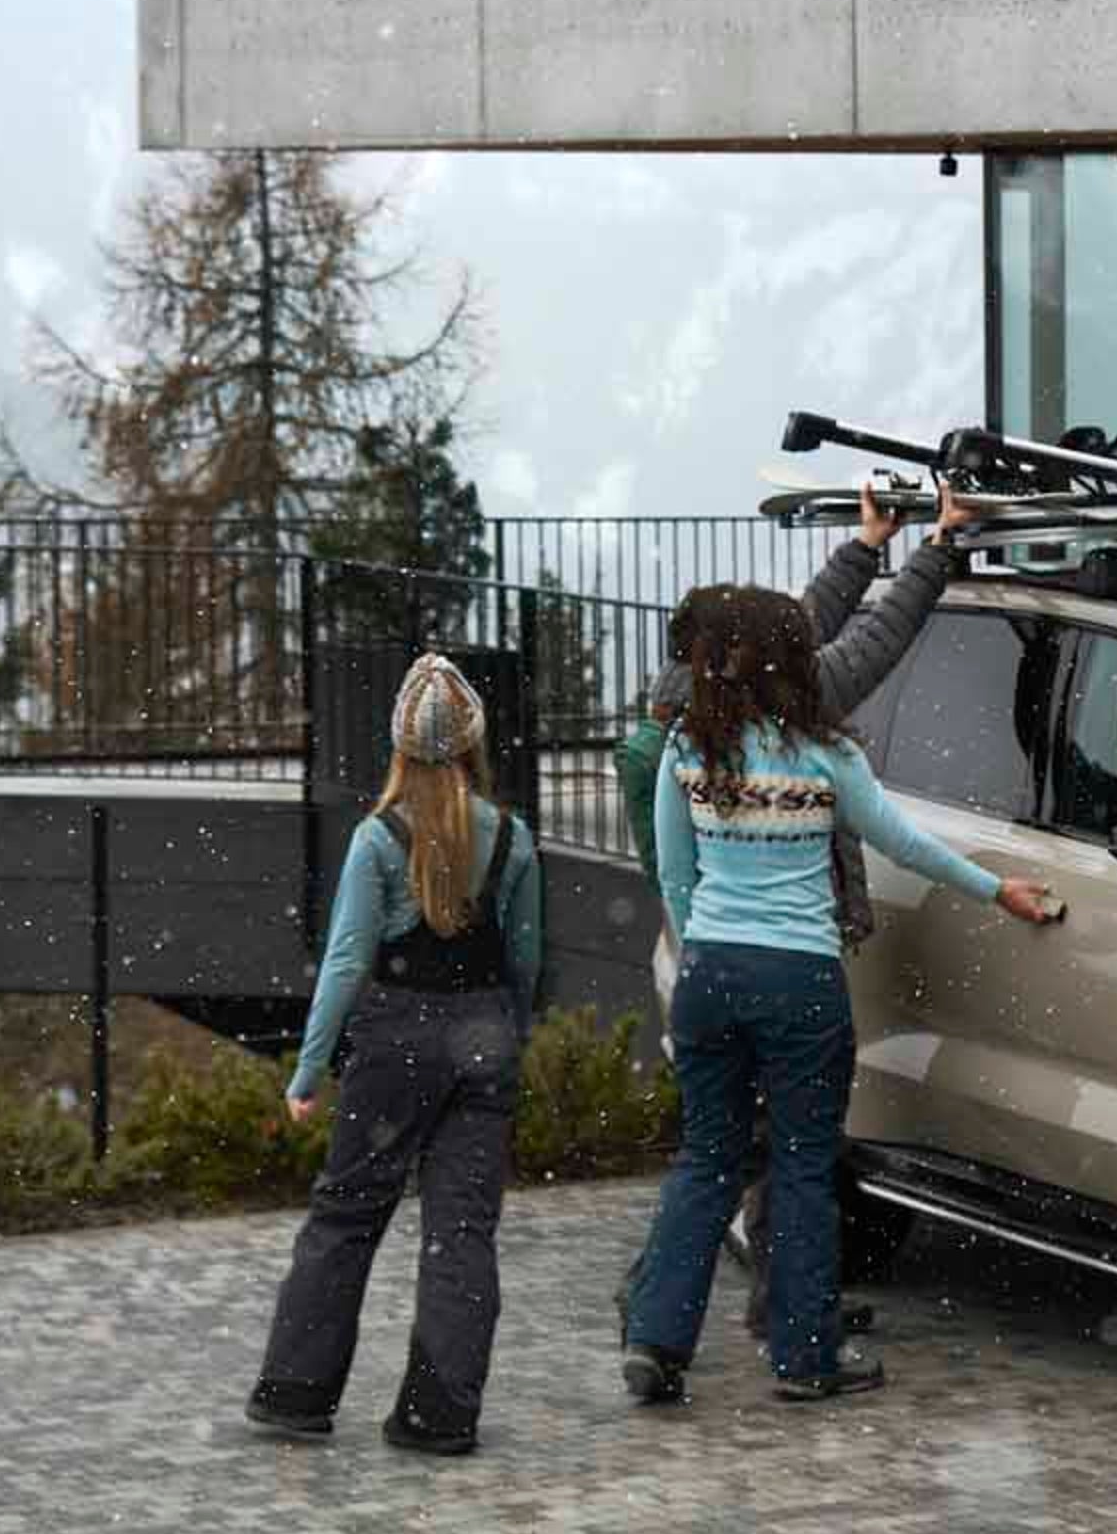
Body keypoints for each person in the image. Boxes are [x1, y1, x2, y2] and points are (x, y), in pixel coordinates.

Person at [621, 583, 1058, 1407]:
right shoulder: (825, 754)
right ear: (795, 662)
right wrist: (997, 890)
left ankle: (656, 1339)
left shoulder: (687, 748)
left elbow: (677, 877)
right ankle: (805, 1356)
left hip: (710, 973)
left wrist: (709, 942)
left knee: (707, 1160)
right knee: (802, 1164)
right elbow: (904, 842)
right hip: (801, 982)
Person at [612, 479, 981, 1340]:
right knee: (793, 1149)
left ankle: (660, 1322)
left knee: (718, 1150)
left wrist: (865, 548)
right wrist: (939, 548)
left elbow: (806, 627)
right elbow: (867, 651)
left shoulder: (696, 704)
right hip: (789, 964)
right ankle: (793, 1325)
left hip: (713, 955)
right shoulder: (796, 730)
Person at [246, 654, 543, 1456]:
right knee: (462, 1231)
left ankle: (297, 1392)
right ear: (476, 743)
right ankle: (439, 1413)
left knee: (345, 1216)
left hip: (393, 1045)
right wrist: (507, 1042)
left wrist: (309, 1072)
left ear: (399, 748)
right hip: (482, 1043)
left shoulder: (378, 838)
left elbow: (346, 960)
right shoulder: (512, 838)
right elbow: (526, 961)